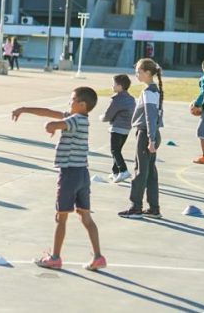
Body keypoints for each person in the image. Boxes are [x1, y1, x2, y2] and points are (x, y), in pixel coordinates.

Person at [12, 87, 105, 271]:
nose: (69, 103)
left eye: (72, 100)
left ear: (82, 104)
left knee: (60, 218)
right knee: (85, 216)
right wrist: (24, 109)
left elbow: (52, 123)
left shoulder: (75, 120)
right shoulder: (80, 118)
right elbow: (48, 112)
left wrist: (51, 127)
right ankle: (98, 257)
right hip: (83, 174)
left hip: (69, 174)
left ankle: (55, 257)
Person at [119, 58, 164, 219]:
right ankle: (154, 208)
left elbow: (151, 117)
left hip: (146, 134)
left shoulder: (149, 92)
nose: (136, 74)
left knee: (140, 171)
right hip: (150, 134)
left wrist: (151, 140)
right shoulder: (154, 90)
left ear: (147, 73)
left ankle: (135, 207)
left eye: (138, 72)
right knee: (150, 172)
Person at [99, 74, 136, 183]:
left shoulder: (116, 99)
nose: (112, 86)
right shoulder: (131, 98)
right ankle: (115, 172)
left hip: (117, 128)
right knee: (118, 150)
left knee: (114, 150)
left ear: (119, 87)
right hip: (127, 128)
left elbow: (108, 115)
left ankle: (123, 170)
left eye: (113, 84)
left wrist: (102, 118)